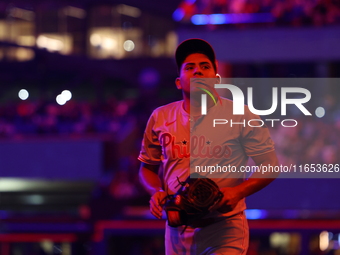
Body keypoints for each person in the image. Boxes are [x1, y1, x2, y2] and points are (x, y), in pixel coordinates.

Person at [138, 38, 279, 255]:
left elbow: (270, 165)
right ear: (178, 81)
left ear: (216, 78)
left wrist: (238, 192)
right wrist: (155, 191)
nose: (198, 72)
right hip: (177, 228)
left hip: (225, 227)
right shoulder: (160, 117)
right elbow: (147, 168)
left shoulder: (241, 114)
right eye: (190, 67)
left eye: (205, 66)